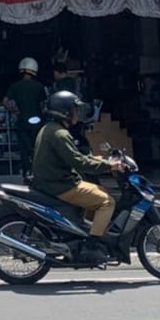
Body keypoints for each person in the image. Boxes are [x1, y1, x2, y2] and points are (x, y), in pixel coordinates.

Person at [30, 90, 120, 238]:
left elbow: (73, 155)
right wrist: (109, 166)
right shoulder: (61, 134)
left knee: (99, 190)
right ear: (65, 113)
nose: (78, 114)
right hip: (60, 185)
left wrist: (99, 160)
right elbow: (78, 162)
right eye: (75, 110)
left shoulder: (49, 128)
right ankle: (94, 242)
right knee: (107, 202)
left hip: (51, 182)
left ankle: (85, 231)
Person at [3, 57, 45, 174]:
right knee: (38, 147)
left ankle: (27, 171)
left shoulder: (15, 86)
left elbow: (5, 101)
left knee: (24, 148)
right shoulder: (39, 86)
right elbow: (42, 105)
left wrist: (14, 111)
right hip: (37, 122)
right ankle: (38, 170)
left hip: (22, 121)